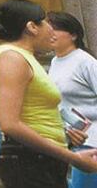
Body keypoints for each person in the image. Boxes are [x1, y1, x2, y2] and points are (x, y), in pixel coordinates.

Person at [0, 0, 97, 186]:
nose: (50, 30)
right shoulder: (13, 58)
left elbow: (2, 102)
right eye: (44, 22)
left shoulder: (21, 57)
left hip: (40, 159)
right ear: (32, 27)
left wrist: (63, 131)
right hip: (30, 160)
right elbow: (9, 123)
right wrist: (73, 158)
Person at [49, 11, 97, 188]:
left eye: (56, 29)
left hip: (91, 141)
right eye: (48, 28)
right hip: (69, 140)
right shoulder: (55, 61)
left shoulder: (85, 62)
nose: (50, 33)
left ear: (74, 34)